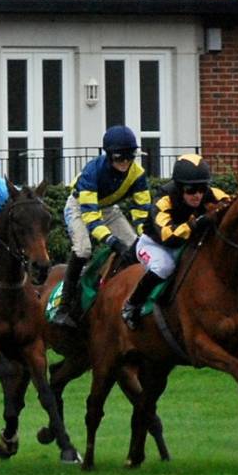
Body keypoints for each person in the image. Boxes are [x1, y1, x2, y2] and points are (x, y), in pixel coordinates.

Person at [52, 126, 153, 329]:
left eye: (129, 158)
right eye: (119, 158)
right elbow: (90, 216)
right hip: (80, 207)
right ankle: (64, 307)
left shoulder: (137, 174)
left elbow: (142, 212)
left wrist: (144, 237)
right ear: (108, 156)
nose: (124, 163)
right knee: (84, 250)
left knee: (137, 247)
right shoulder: (92, 171)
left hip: (107, 210)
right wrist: (111, 240)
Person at [129, 154, 229, 328]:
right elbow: (168, 236)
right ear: (180, 187)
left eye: (202, 189)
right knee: (164, 267)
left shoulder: (209, 193)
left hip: (184, 244)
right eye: (191, 190)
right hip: (155, 245)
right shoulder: (163, 199)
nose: (198, 195)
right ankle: (132, 304)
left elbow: (232, 202)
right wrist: (197, 223)